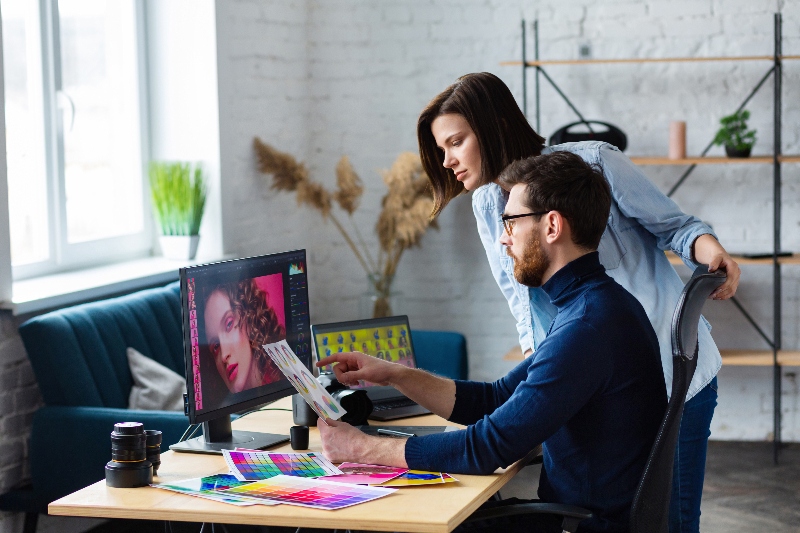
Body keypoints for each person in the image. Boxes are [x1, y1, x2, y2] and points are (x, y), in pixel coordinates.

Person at [416, 72, 741, 533]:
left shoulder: (595, 165)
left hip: (673, 378)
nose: (447, 161)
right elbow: (525, 308)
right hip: (595, 386)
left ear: (493, 127)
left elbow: (676, 226)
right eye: (441, 149)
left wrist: (713, 256)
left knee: (670, 521)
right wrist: (542, 391)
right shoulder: (489, 206)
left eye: (455, 142)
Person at [317, 152, 667, 533]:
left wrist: (361, 449)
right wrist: (396, 375)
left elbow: (487, 448)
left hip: (578, 526)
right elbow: (495, 398)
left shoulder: (588, 327)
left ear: (552, 226)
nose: (504, 238)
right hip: (572, 516)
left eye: (511, 222)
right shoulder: (594, 306)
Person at [202, 278, 285, 394]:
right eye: (216, 346)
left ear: (249, 315)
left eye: (229, 324)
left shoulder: (286, 377)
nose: (224, 356)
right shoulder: (227, 407)